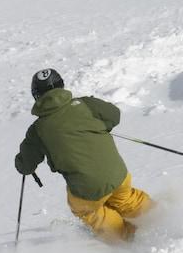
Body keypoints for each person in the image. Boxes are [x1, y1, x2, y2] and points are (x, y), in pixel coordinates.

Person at [14, 68, 151, 243]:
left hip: (86, 188)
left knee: (86, 209)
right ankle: (159, 219)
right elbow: (114, 115)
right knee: (126, 198)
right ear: (61, 85)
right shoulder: (86, 104)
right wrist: (96, 125)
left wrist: (21, 163)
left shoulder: (38, 130)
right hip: (117, 174)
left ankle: (124, 238)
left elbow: (26, 165)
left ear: (36, 96)